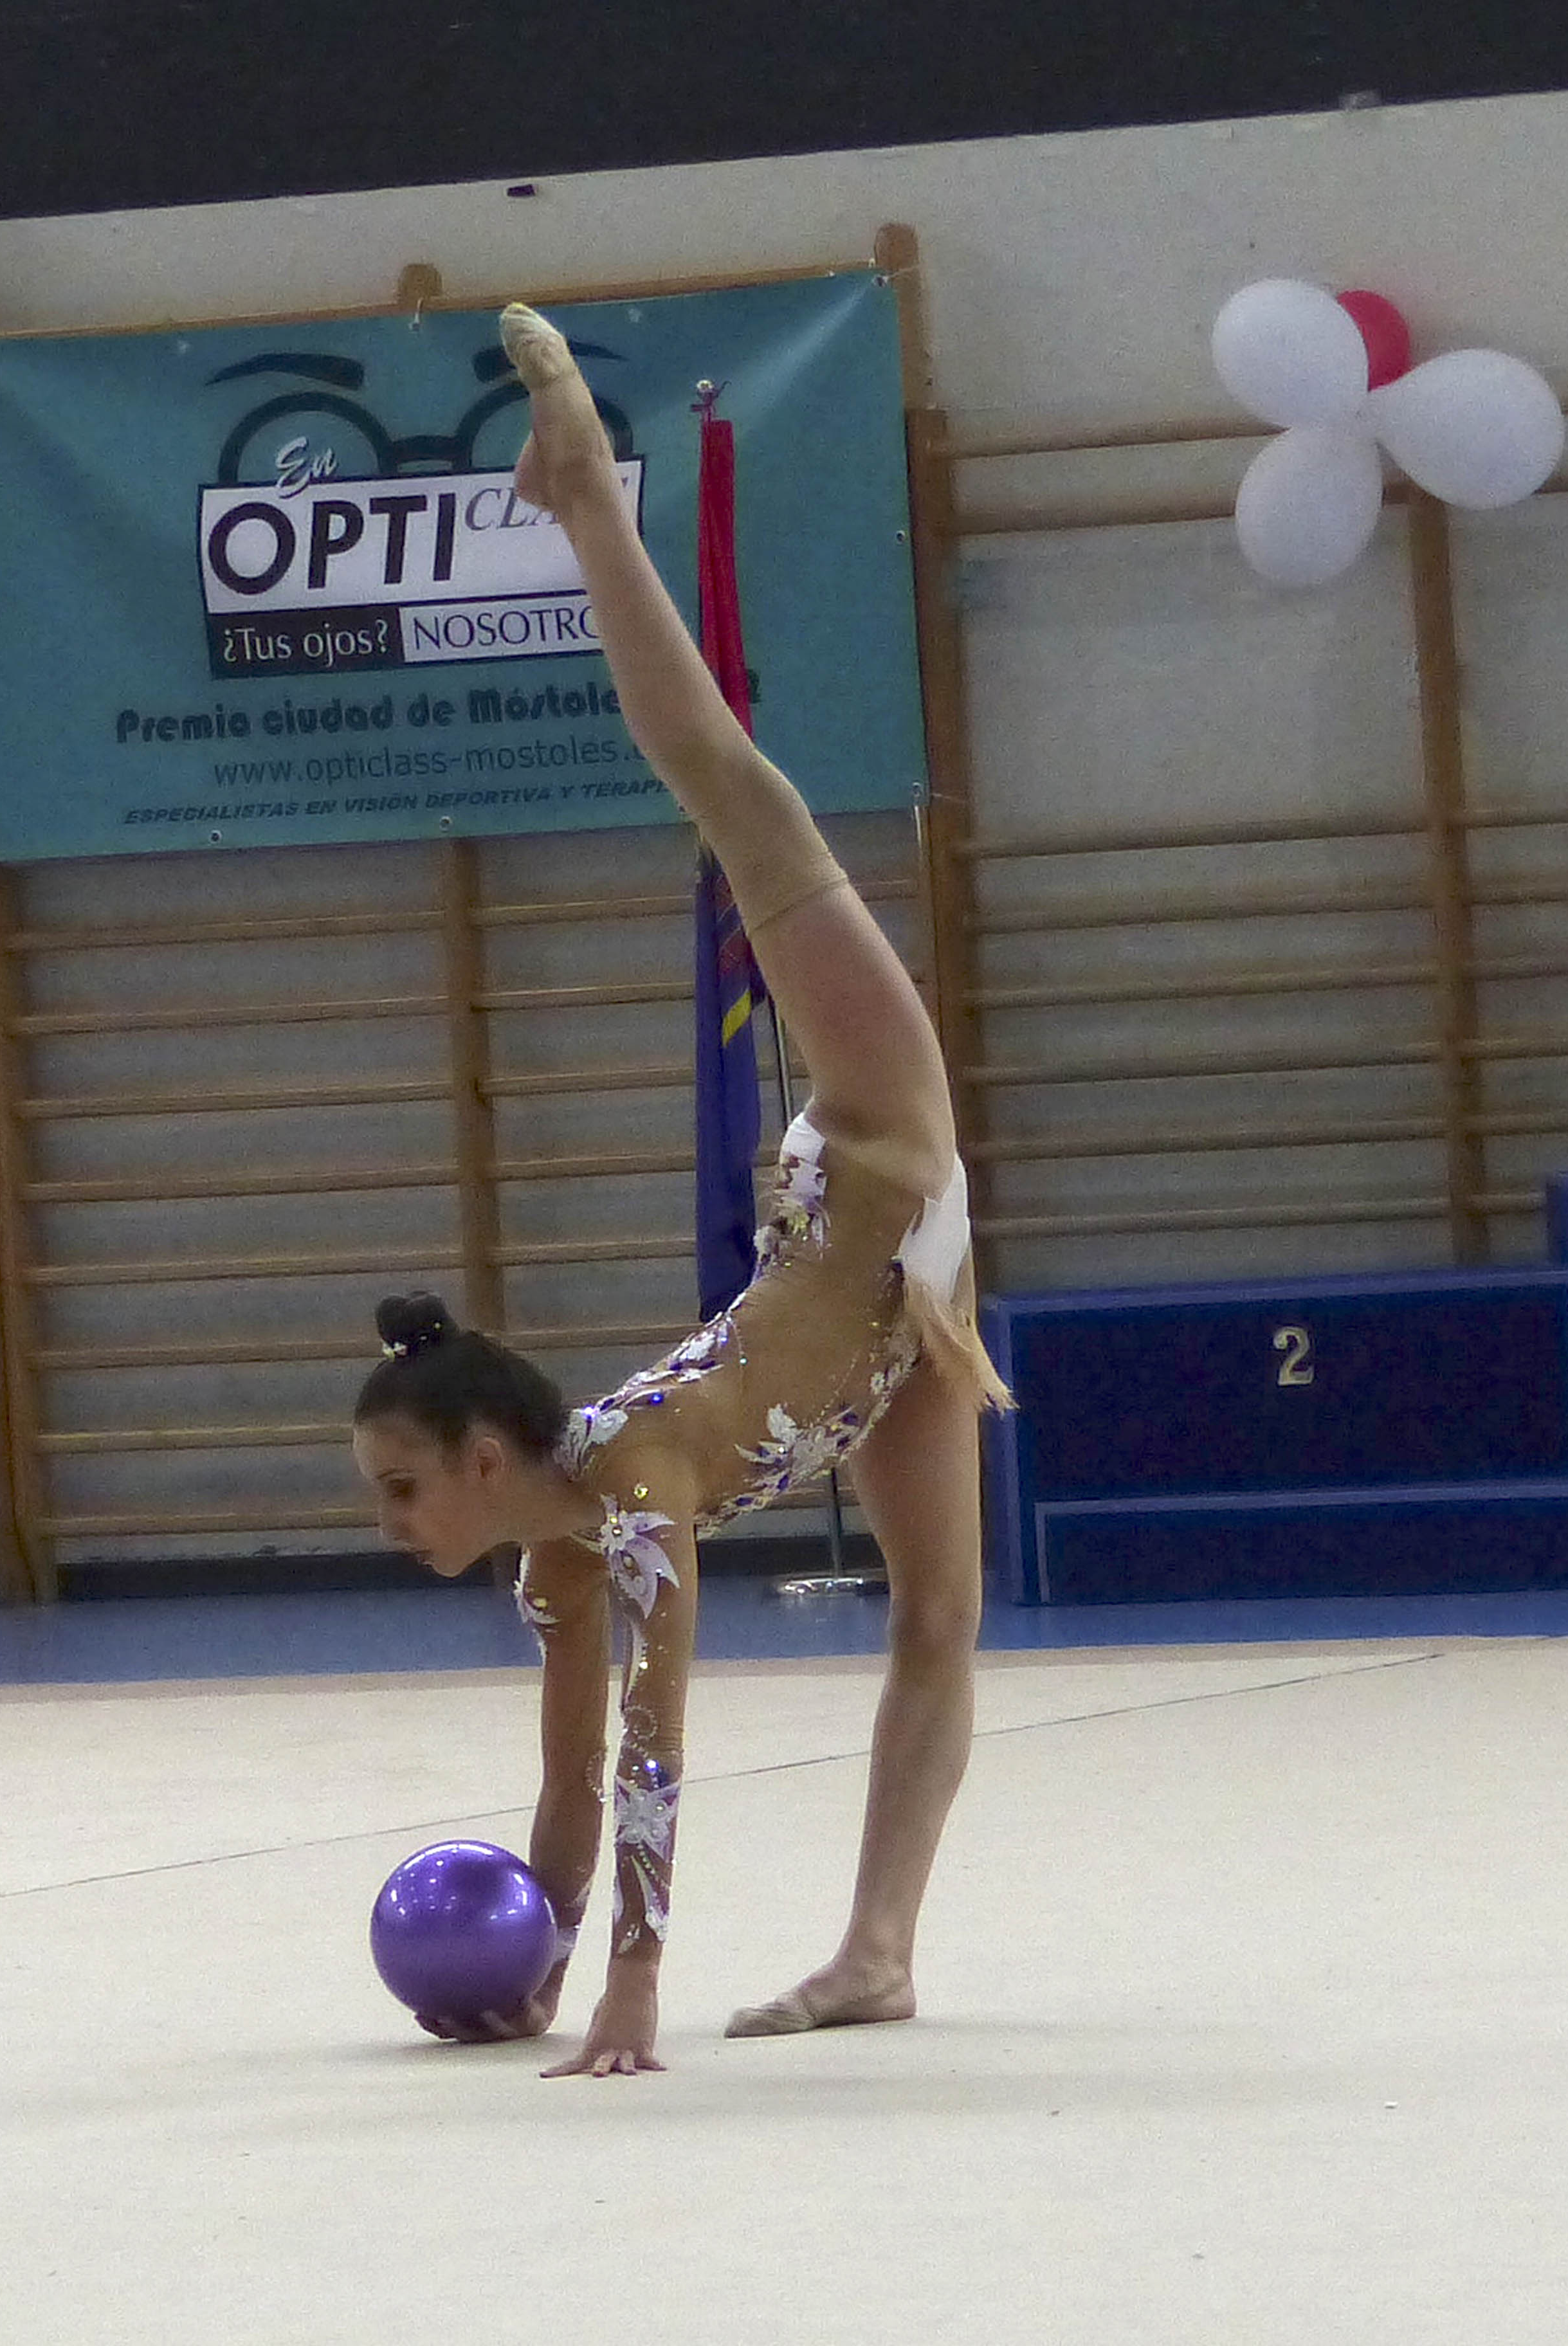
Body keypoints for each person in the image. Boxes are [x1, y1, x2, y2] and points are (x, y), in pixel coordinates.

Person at [351, 304, 1008, 2080]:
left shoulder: (633, 1496)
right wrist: (542, 1965)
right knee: (938, 1618)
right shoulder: (559, 1564)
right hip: (884, 1317)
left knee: (735, 795)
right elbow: (574, 1782)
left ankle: (587, 500)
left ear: (490, 1461)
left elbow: (659, 1749)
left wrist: (634, 1990)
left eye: (406, 1487)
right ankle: (881, 1957)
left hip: (876, 1157)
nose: (393, 1522)